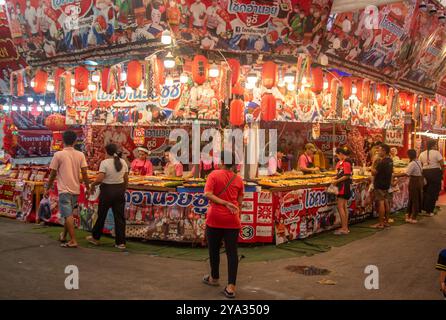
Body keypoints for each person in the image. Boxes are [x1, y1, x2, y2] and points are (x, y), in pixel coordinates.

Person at [202, 151, 244, 299]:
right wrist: (230, 204)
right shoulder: (238, 179)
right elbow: (240, 201)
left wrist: (223, 202)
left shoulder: (213, 175)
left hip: (214, 218)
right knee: (232, 252)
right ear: (233, 163)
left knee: (213, 249)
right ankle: (231, 287)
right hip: (232, 219)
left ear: (220, 161)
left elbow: (207, 193)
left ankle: (214, 278)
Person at [45, 131, 90, 248]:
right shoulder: (80, 155)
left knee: (68, 214)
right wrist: (88, 187)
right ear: (75, 141)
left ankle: (73, 240)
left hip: (64, 189)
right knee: (68, 214)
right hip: (76, 189)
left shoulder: (58, 155)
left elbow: (52, 174)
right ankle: (64, 236)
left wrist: (47, 188)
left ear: (63, 140)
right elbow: (85, 173)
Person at [87, 144, 129, 250]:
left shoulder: (104, 163)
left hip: (107, 191)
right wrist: (123, 189)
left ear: (106, 152)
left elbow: (100, 179)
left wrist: (92, 184)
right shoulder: (123, 162)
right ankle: (121, 243)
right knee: (119, 217)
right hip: (119, 190)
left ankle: (95, 238)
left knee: (102, 215)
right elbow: (126, 179)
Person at [419, 139, 444, 217]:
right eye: (436, 145)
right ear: (434, 145)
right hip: (435, 173)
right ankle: (429, 211)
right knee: (433, 192)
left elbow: (420, 165)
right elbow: (442, 164)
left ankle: (422, 209)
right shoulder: (437, 153)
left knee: (425, 191)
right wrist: (441, 173)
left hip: (425, 173)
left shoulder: (422, 153)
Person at [371, 144, 393, 229]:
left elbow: (374, 172)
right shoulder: (390, 160)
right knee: (386, 202)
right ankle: (386, 222)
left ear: (384, 151)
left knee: (381, 203)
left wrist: (372, 165)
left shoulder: (382, 162)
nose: (378, 152)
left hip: (380, 184)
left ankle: (380, 223)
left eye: (380, 150)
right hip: (386, 184)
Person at [332, 146, 352, 235]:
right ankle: (345, 227)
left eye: (337, 155)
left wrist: (336, 181)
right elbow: (341, 173)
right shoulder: (344, 161)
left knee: (341, 206)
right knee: (344, 206)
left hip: (344, 186)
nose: (337, 157)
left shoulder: (347, 162)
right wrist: (336, 177)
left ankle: (344, 228)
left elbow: (347, 175)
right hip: (343, 185)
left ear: (340, 154)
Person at [405, 149, 423, 224]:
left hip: (414, 182)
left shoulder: (412, 163)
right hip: (418, 181)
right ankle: (409, 216)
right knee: (414, 198)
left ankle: (413, 217)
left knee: (414, 199)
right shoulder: (418, 161)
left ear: (409, 155)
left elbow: (407, 174)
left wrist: (395, 175)